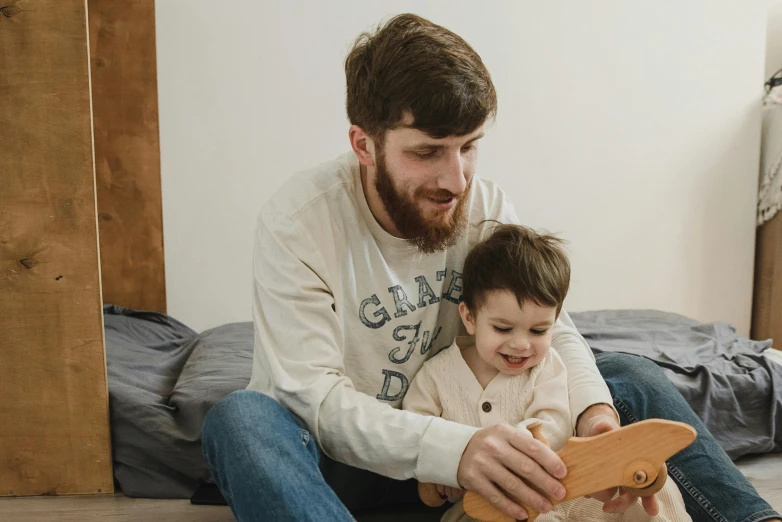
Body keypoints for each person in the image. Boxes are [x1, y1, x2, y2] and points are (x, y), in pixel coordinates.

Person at [202, 13, 781, 522]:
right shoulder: (298, 222)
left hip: (491, 453)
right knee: (242, 421)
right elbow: (315, 401)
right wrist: (456, 449)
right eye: (427, 152)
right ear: (364, 145)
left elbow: (555, 328)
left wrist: (596, 419)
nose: (456, 179)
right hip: (348, 463)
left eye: (469, 146)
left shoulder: (485, 205)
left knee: (626, 375)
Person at [403, 224, 691, 522]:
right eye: (503, 328)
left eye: (539, 330)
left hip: (564, 490)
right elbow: (417, 435)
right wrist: (437, 475)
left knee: (656, 494)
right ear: (470, 317)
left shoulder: (547, 365)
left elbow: (553, 423)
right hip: (486, 508)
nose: (521, 344)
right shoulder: (436, 375)